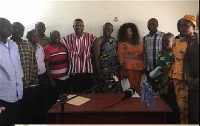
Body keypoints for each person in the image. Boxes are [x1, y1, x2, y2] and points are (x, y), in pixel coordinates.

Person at [168, 16, 196, 124]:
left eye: (186, 25)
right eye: (181, 25)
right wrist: (170, 76)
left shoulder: (196, 42)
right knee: (182, 108)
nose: (182, 28)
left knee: (193, 108)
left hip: (193, 79)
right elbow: (173, 60)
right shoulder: (176, 42)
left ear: (193, 27)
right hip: (178, 78)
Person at [61, 19, 97, 94]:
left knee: (88, 94)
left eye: (81, 25)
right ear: (73, 26)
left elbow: (95, 51)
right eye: (76, 25)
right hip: (74, 72)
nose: (78, 27)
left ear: (83, 27)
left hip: (87, 71)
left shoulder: (90, 37)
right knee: (76, 95)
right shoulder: (67, 39)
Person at [0, 18, 23, 125]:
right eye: (7, 26)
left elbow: (17, 66)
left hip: (16, 92)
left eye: (10, 26)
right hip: (2, 95)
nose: (10, 28)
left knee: (13, 121)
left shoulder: (13, 45)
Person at [154, 33, 180, 123]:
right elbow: (158, 68)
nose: (164, 42)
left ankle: (173, 122)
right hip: (161, 82)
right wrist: (156, 81)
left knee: (172, 104)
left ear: (173, 42)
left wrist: (171, 80)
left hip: (171, 82)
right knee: (162, 103)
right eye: (163, 41)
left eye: (167, 41)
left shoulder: (175, 53)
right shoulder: (160, 53)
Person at [44, 30, 70, 107]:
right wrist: (50, 79)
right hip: (55, 80)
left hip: (66, 78)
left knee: (67, 99)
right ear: (50, 37)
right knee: (54, 100)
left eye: (58, 35)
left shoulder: (64, 46)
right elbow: (46, 65)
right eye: (54, 35)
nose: (56, 37)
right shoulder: (47, 48)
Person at [117, 23, 145, 95]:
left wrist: (143, 67)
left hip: (138, 69)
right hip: (127, 70)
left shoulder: (138, 43)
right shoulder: (122, 44)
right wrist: (124, 72)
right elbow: (121, 60)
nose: (129, 33)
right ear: (123, 33)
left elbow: (141, 54)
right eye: (126, 32)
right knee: (128, 89)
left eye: (131, 31)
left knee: (137, 88)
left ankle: (136, 105)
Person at [93, 22, 119, 93]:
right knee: (102, 92)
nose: (107, 30)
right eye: (105, 29)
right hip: (102, 70)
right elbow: (96, 58)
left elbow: (117, 55)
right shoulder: (98, 41)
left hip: (113, 71)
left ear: (112, 30)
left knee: (114, 90)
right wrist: (99, 73)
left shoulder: (114, 41)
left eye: (109, 29)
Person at [11, 22, 38, 87]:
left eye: (22, 30)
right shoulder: (7, 45)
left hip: (28, 82)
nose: (20, 31)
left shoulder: (28, 45)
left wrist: (35, 79)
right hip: (13, 84)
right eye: (17, 29)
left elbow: (34, 63)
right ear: (11, 30)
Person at [183, 14, 199, 124]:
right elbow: (186, 60)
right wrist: (187, 77)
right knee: (194, 116)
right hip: (193, 85)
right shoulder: (193, 40)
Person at [143, 18, 165, 82]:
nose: (151, 25)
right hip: (149, 68)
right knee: (150, 87)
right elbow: (144, 53)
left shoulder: (163, 35)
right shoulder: (145, 37)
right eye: (149, 24)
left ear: (157, 25)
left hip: (160, 67)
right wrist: (145, 66)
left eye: (153, 24)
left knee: (161, 87)